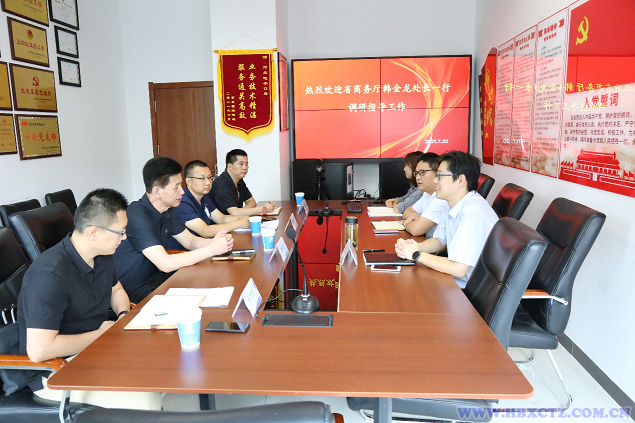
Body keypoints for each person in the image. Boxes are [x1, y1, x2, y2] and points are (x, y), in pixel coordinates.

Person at [17, 188, 162, 409]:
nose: (124, 238)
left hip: (96, 348)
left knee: (161, 364)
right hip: (55, 370)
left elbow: (116, 290)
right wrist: (102, 335)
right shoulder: (49, 276)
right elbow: (40, 350)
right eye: (120, 232)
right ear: (93, 233)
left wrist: (122, 315)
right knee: (145, 395)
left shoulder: (101, 254)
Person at [113, 157, 233, 303]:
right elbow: (165, 263)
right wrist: (212, 249)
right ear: (157, 191)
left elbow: (190, 241)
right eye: (176, 187)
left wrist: (216, 241)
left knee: (211, 279)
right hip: (134, 288)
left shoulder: (167, 210)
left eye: (181, 185)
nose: (182, 191)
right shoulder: (136, 214)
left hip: (156, 278)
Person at [395, 151, 498, 289]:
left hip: (468, 290)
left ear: (460, 180)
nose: (435, 181)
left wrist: (416, 254)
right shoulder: (453, 204)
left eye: (440, 176)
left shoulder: (473, 212)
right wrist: (415, 247)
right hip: (452, 280)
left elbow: (458, 269)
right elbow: (439, 241)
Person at [164, 160, 250, 250]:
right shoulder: (182, 203)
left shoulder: (203, 197)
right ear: (189, 181)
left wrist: (242, 218)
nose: (208, 182)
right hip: (180, 251)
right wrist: (240, 223)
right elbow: (205, 231)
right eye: (202, 178)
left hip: (201, 247)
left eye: (209, 178)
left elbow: (221, 218)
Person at [209, 148, 276, 216]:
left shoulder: (239, 180)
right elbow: (234, 213)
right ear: (230, 166)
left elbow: (251, 202)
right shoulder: (221, 184)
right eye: (241, 164)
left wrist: (241, 212)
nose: (245, 167)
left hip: (235, 220)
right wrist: (263, 208)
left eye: (246, 164)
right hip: (220, 222)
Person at [399, 153, 448, 238]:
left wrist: (404, 223)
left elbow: (416, 230)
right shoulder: (427, 193)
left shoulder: (442, 198)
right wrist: (416, 217)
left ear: (437, 173)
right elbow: (407, 211)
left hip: (436, 246)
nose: (417, 177)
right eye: (417, 173)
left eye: (422, 172)